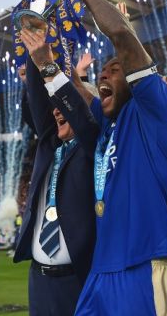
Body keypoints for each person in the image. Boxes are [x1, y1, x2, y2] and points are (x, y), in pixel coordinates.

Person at [70, 0, 167, 315]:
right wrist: (47, 49)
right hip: (101, 271)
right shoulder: (109, 127)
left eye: (114, 70)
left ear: (134, 80)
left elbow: (122, 38)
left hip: (145, 264)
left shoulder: (153, 110)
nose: (104, 75)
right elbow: (74, 88)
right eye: (101, 71)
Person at [13, 21, 99, 316]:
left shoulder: (92, 147)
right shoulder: (50, 145)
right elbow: (40, 105)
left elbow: (80, 115)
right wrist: (34, 52)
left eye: (66, 106)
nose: (57, 111)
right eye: (56, 108)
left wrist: (48, 65)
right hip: (39, 281)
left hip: (76, 280)